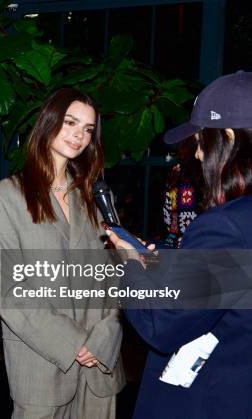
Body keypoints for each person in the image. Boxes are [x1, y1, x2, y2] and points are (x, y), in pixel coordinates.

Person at [107, 71, 252, 418]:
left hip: (208, 400)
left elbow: (162, 325)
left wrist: (130, 264)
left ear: (227, 138)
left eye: (202, 141)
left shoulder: (224, 225)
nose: (199, 155)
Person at [0, 88, 125, 419]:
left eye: (88, 129)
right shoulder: (4, 200)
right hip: (42, 363)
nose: (80, 135)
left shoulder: (95, 197)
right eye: (71, 122)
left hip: (100, 365)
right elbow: (11, 292)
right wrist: (75, 343)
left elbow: (115, 275)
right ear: (48, 121)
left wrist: (106, 334)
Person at [162, 136, 203, 248]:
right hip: (196, 245)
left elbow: (167, 218)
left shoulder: (176, 175)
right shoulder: (210, 179)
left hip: (175, 243)